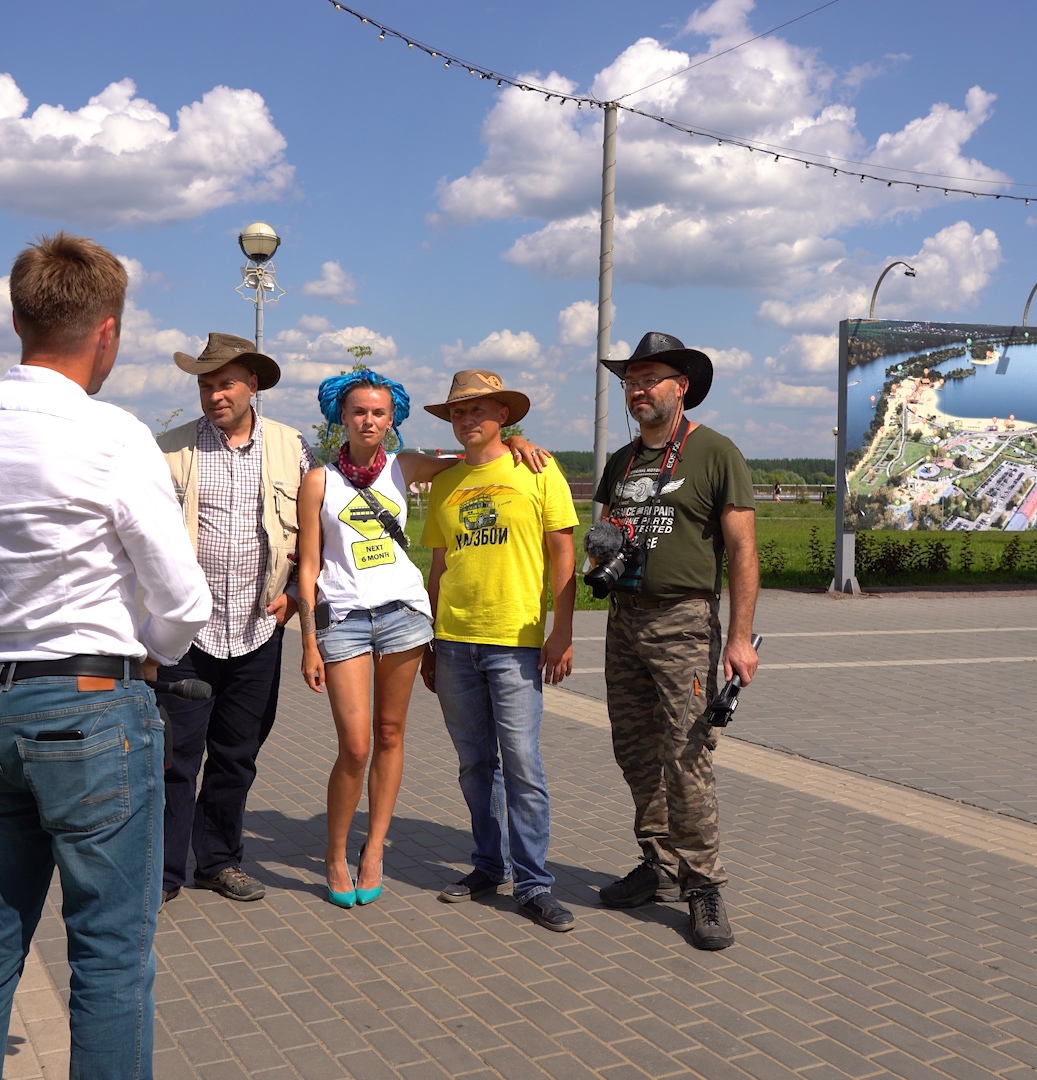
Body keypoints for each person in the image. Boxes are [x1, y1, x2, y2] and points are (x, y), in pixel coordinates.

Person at [0, 232, 211, 1078]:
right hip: (89, 707)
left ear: (17, 318)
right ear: (107, 331)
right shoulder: (111, 436)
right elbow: (183, 600)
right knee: (110, 956)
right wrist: (149, 655)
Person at [295, 371, 549, 908]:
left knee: (390, 732)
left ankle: (375, 851)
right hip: (343, 619)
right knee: (355, 745)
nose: (369, 421)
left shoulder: (402, 465)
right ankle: (336, 853)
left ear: (394, 420)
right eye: (359, 411)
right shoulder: (318, 480)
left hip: (405, 617)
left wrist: (519, 441)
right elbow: (310, 564)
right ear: (341, 416)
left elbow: (476, 459)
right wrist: (309, 641)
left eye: (380, 413)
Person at [590, 332, 759, 951]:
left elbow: (742, 549)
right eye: (630, 381)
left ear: (680, 387)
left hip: (684, 621)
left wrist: (738, 637)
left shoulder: (715, 453)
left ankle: (704, 883)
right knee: (635, 748)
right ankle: (657, 862)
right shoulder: (623, 460)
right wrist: (601, 553)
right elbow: (604, 531)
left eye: (649, 379)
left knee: (687, 753)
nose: (636, 390)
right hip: (624, 619)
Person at [153, 332, 315, 904]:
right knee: (174, 755)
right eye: (205, 384)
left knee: (235, 756)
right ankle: (164, 872)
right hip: (184, 635)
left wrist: (296, 592)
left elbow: (320, 532)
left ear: (253, 385)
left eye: (225, 383)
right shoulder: (168, 449)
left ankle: (218, 861)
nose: (215, 394)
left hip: (258, 630)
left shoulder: (290, 447)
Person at [420, 369, 579, 934]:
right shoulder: (444, 484)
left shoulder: (536, 468)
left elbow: (563, 553)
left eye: (480, 410)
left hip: (515, 641)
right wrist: (429, 645)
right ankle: (488, 864)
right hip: (455, 640)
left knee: (522, 764)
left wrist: (560, 631)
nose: (469, 419)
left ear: (504, 416)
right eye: (459, 411)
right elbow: (439, 567)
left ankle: (534, 883)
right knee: (473, 764)